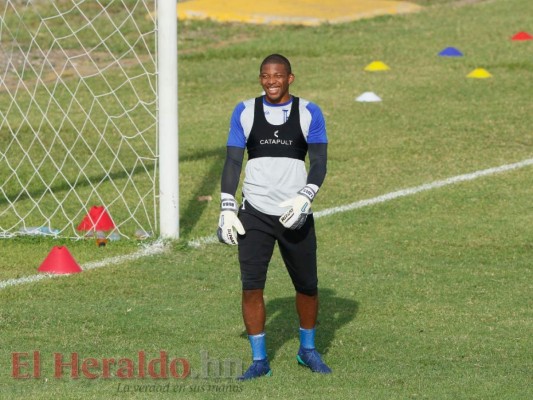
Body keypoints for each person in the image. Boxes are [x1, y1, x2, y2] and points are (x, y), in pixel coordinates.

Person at [217, 54, 330, 381]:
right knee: (252, 286)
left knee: (307, 286)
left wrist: (305, 196)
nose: (271, 81)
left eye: (278, 75)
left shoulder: (310, 112)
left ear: (290, 78)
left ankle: (307, 350)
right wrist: (227, 205)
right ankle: (259, 359)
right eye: (265, 76)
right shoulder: (244, 111)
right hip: (254, 214)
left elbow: (320, 162)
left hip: (295, 214)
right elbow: (233, 162)